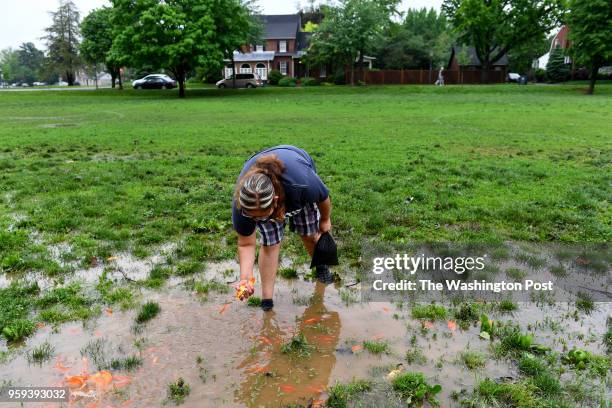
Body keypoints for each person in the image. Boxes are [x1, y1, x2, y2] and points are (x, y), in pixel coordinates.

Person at [232, 145, 333, 311]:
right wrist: (245, 277)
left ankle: (321, 266)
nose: (258, 221)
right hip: (265, 196)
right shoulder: (243, 205)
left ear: (276, 200)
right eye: (253, 217)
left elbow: (323, 197)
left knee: (308, 235)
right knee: (270, 244)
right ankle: (267, 302)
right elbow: (246, 244)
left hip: (296, 171)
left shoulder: (303, 184)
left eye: (262, 216)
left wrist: (325, 219)